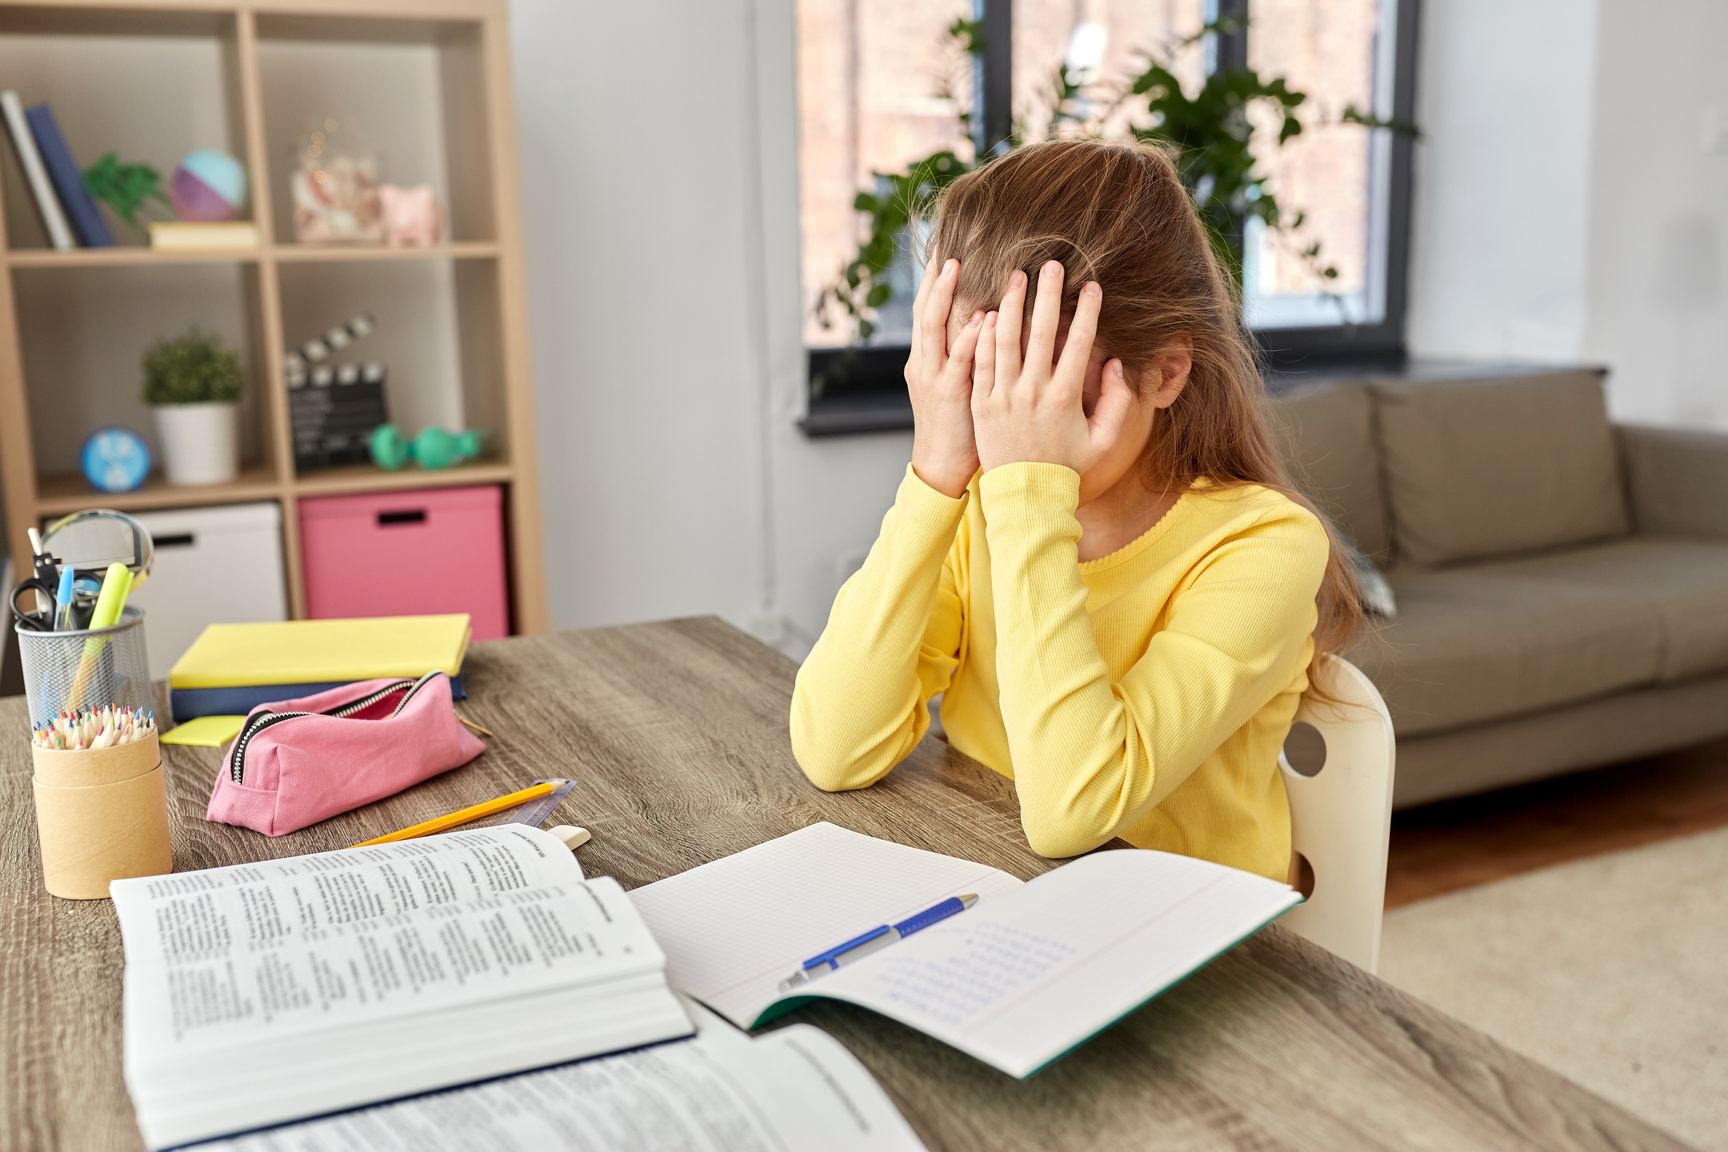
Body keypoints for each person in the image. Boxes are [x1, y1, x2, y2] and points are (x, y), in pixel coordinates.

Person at [789, 139, 1365, 881]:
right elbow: (836, 747)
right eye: (983, 378)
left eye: (1057, 390)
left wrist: (1031, 494)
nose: (1012, 424)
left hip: (1186, 933)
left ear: (1166, 373)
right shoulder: (976, 503)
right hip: (999, 882)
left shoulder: (1266, 544)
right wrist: (933, 477)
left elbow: (1073, 809)